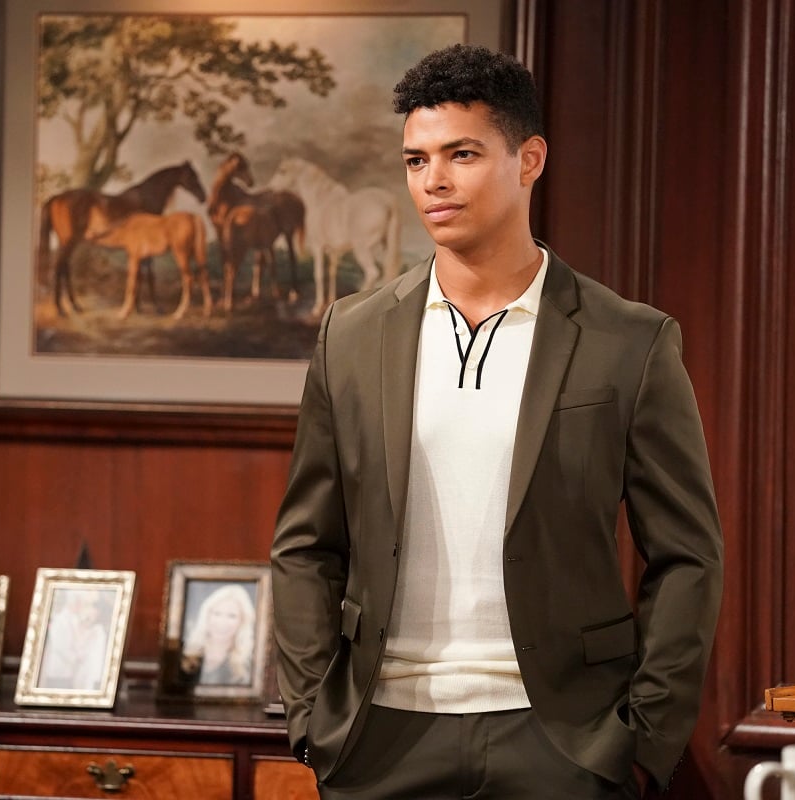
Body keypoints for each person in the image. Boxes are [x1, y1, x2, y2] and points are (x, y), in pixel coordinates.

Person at [270, 44, 724, 799]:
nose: (433, 182)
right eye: (416, 161)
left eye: (462, 154)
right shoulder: (350, 335)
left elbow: (687, 556)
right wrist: (314, 716)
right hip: (379, 738)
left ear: (529, 158)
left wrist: (644, 736)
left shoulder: (630, 341)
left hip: (562, 740)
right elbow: (306, 544)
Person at [179, 583, 256, 686]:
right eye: (217, 613)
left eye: (232, 616)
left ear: (243, 620)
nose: (222, 622)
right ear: (206, 614)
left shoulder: (249, 664)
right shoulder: (185, 651)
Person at [37, 589, 109, 690]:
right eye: (82, 603)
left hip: (72, 674)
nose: (82, 606)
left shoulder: (87, 625)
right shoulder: (60, 620)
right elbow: (61, 647)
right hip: (58, 673)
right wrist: (76, 658)